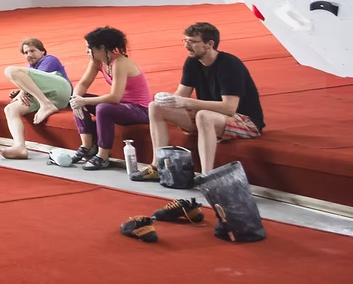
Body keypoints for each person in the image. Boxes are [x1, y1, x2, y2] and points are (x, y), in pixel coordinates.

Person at [140, 22, 265, 180]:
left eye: (192, 42)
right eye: (185, 41)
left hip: (245, 121)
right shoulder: (192, 62)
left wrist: (185, 102)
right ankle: (157, 166)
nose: (186, 46)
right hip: (211, 115)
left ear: (209, 44)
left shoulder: (230, 65)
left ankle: (206, 176)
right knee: (155, 107)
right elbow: (181, 95)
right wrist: (166, 99)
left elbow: (229, 108)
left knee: (204, 116)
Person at [68, 26, 151, 171]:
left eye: (89, 48)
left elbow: (114, 97)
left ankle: (103, 156)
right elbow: (83, 83)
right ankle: (87, 146)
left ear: (102, 48)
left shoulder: (120, 63)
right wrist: (76, 99)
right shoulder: (97, 61)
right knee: (79, 99)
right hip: (121, 106)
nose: (86, 51)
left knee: (103, 108)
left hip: (140, 109)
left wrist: (83, 101)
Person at [0, 37, 72, 160]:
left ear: (42, 51)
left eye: (32, 51)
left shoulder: (49, 59)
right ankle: (20, 147)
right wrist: (20, 92)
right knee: (10, 109)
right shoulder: (29, 68)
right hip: (50, 98)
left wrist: (22, 90)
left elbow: (37, 80)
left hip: (61, 90)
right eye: (26, 53)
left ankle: (45, 104)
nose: (29, 55)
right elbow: (35, 85)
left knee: (10, 70)